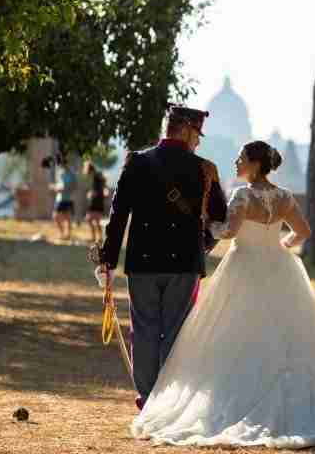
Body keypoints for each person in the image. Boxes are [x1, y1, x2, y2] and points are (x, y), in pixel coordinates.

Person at [130, 140, 315, 448]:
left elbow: (229, 232)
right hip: (279, 269)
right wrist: (280, 248)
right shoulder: (284, 197)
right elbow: (303, 231)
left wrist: (206, 224)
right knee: (283, 334)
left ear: (254, 163)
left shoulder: (243, 195)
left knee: (234, 332)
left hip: (244, 268)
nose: (236, 163)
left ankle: (237, 397)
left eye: (240, 158)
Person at [99, 105, 227, 412]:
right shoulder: (204, 169)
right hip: (183, 263)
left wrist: (108, 260)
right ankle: (169, 401)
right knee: (176, 331)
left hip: (142, 261)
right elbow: (221, 217)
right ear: (185, 130)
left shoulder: (136, 163)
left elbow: (118, 217)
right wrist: (204, 241)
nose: (198, 142)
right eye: (197, 134)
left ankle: (147, 400)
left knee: (143, 330)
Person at [49, 156, 77, 241]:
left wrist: (62, 189)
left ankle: (68, 235)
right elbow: (60, 184)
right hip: (60, 198)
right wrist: (54, 187)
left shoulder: (71, 173)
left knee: (67, 217)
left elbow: (72, 186)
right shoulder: (60, 172)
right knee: (55, 216)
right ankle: (62, 234)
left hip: (68, 199)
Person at [83, 161, 108, 243]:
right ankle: (96, 237)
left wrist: (91, 193)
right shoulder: (96, 176)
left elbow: (98, 189)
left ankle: (98, 237)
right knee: (93, 220)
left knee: (92, 219)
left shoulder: (96, 177)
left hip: (96, 201)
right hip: (97, 201)